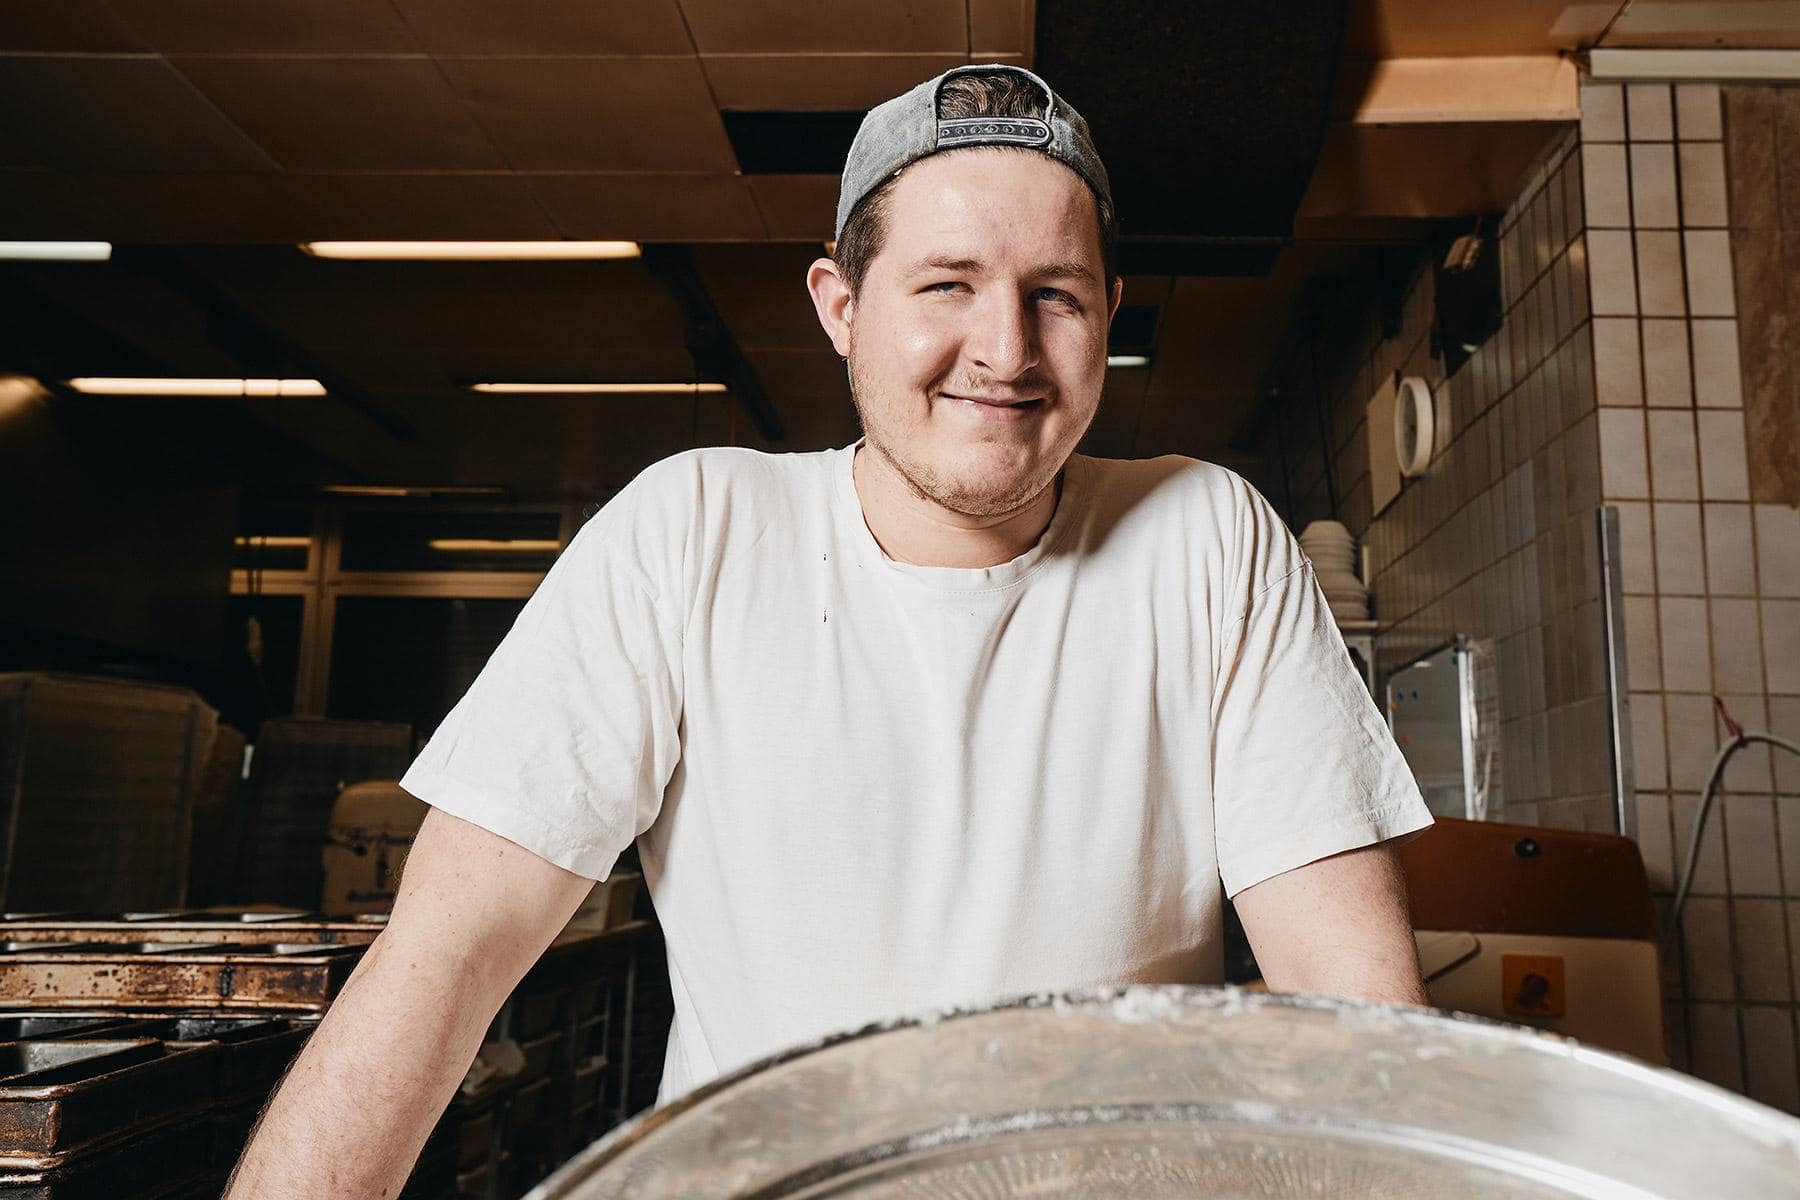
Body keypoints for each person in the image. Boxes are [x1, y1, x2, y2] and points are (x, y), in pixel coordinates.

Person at [227, 64, 1430, 1198]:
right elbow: (444, 960)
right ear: (841, 306)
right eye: (947, 284)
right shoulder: (693, 532)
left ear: (1108, 311)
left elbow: (1352, 1010)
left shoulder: (1208, 537)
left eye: (1054, 295)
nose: (1005, 350)